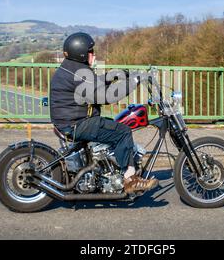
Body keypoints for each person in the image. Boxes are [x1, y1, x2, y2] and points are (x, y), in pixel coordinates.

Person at [50, 32, 158, 194]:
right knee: (123, 131)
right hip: (76, 124)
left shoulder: (73, 68)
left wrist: (113, 75)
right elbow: (105, 96)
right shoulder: (78, 71)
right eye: (90, 51)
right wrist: (133, 82)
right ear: (81, 53)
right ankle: (130, 179)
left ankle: (108, 168)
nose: (93, 54)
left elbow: (92, 84)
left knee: (112, 124)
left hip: (71, 120)